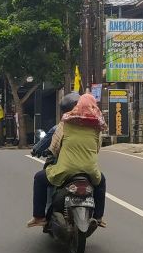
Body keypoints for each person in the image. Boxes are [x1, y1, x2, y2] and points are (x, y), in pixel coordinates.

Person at [28, 93, 107, 229]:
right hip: (90, 170)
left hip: (66, 170)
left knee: (39, 178)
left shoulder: (65, 124)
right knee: (102, 181)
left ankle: (39, 217)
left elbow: (55, 147)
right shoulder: (97, 127)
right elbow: (97, 148)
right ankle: (99, 217)